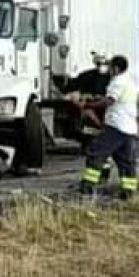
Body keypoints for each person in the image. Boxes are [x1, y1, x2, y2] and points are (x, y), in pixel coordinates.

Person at [79, 55, 139, 200]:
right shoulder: (131, 83)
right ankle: (129, 191)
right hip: (129, 128)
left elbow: (109, 101)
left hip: (116, 126)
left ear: (116, 68)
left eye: (110, 67)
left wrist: (89, 105)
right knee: (126, 161)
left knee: (96, 153)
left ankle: (88, 186)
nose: (108, 70)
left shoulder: (117, 82)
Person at [55, 52, 113, 182]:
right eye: (99, 63)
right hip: (91, 118)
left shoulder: (114, 79)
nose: (101, 66)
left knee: (104, 149)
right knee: (92, 147)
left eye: (104, 64)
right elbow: (69, 88)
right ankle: (94, 178)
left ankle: (101, 176)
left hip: (107, 118)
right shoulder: (86, 76)